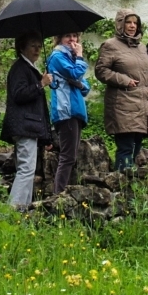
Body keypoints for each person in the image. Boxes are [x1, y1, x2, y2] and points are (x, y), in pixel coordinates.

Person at [94, 12, 148, 171]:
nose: (133, 26)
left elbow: (147, 70)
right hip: (123, 104)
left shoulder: (141, 47)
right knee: (125, 147)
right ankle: (120, 187)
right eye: (129, 22)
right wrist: (124, 80)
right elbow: (101, 71)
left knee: (136, 147)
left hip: (142, 104)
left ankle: (129, 187)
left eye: (135, 22)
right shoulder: (110, 45)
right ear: (121, 24)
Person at [1, 36, 49, 211]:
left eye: (39, 46)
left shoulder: (28, 67)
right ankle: (14, 210)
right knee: (26, 169)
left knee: (28, 169)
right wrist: (40, 84)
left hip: (29, 126)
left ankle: (23, 209)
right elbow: (19, 95)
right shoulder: (20, 68)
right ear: (22, 47)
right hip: (24, 125)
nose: (37, 49)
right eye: (33, 45)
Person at [45, 33, 89, 194]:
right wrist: (80, 57)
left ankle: (61, 193)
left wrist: (79, 83)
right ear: (59, 39)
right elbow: (75, 74)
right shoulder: (57, 56)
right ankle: (59, 195)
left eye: (75, 36)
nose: (72, 40)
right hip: (66, 110)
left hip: (75, 110)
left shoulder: (70, 58)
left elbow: (85, 87)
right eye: (67, 36)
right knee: (67, 156)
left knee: (71, 156)